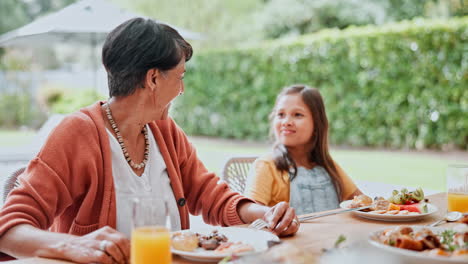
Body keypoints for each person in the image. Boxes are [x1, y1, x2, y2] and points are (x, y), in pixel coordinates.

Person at [0, 18, 299, 264]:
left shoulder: (164, 131)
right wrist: (70, 245)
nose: (181, 89)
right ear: (153, 79)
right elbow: (9, 231)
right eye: (179, 77)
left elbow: (209, 193)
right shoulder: (77, 134)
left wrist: (265, 213)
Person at [245, 84, 362, 215]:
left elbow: (361, 203)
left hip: (336, 235)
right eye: (281, 114)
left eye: (297, 115)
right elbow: (249, 210)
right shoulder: (267, 165)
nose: (286, 122)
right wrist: (271, 215)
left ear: (317, 123)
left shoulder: (328, 166)